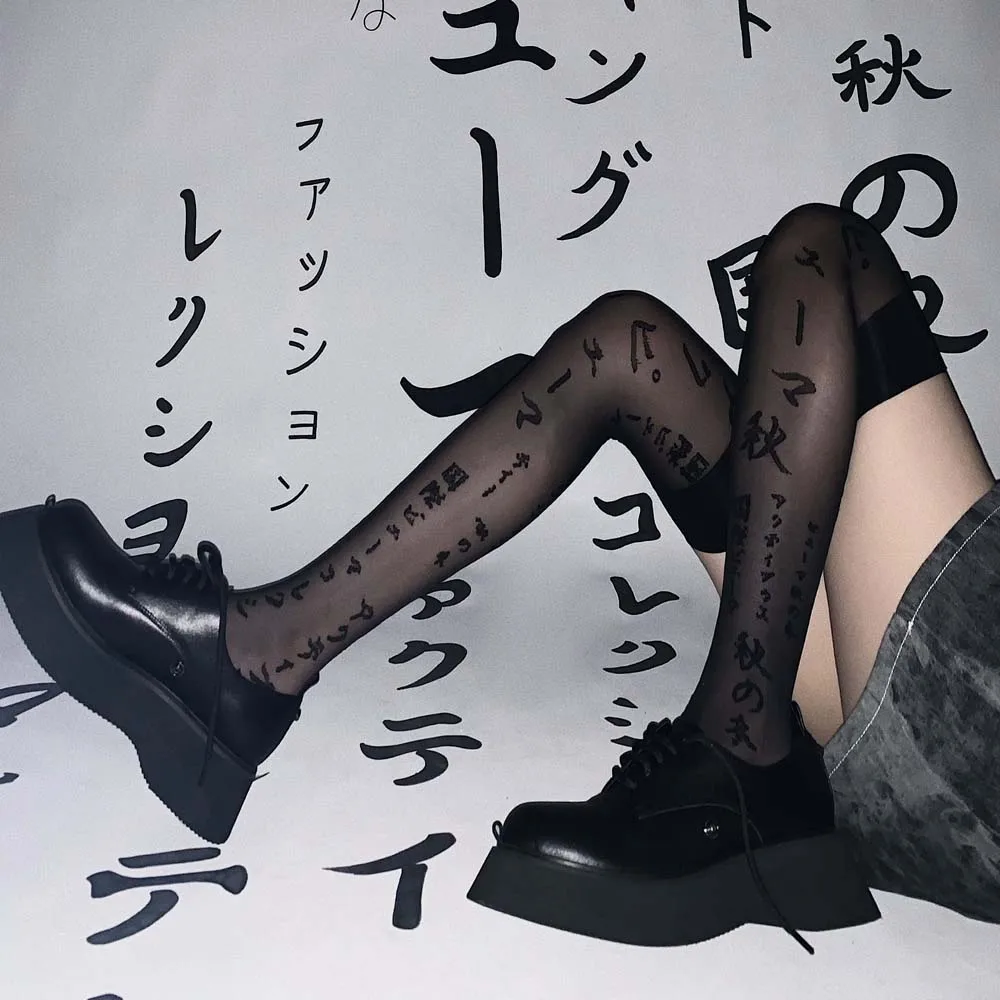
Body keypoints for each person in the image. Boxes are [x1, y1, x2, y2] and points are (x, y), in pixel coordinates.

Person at [2, 203, 998, 955]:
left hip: (973, 748)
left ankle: (742, 748)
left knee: (822, 250)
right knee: (630, 345)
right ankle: (255, 661)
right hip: (923, 697)